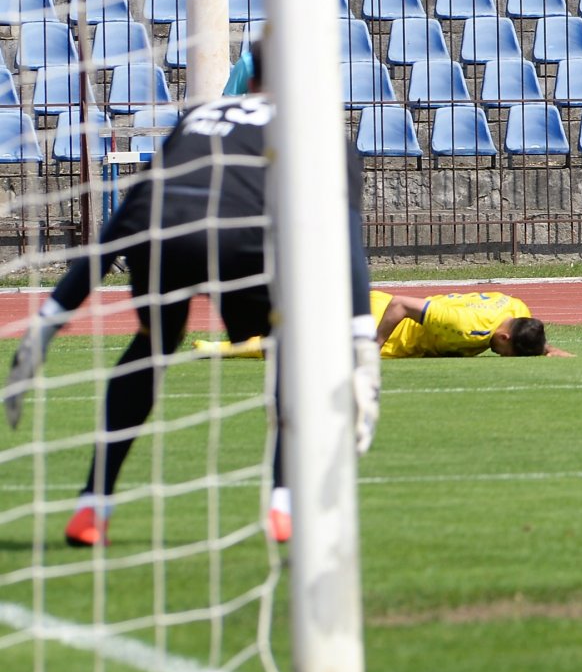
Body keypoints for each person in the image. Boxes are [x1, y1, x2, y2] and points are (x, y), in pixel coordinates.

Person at [5, 54, 380, 547]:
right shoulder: (319, 128)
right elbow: (345, 238)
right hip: (244, 234)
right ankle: (284, 502)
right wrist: (360, 341)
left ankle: (91, 504)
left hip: (158, 229)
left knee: (153, 340)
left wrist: (52, 317)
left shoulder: (199, 115)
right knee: (294, 342)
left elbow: (130, 213)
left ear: (251, 76)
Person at [371, 289, 572, 358]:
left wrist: (545, 348)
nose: (501, 354)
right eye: (507, 353)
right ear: (504, 337)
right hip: (376, 320)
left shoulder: (517, 309)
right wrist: (370, 349)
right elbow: (399, 305)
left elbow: (526, 331)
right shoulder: (470, 327)